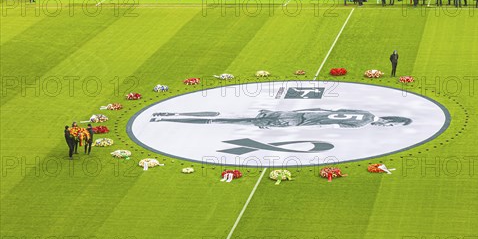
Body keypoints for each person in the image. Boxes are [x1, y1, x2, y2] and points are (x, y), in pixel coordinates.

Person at [150, 109, 412, 128]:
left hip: (295, 116)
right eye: (391, 123)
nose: (387, 126)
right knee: (232, 122)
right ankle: (166, 118)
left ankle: (168, 116)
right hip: (295, 122)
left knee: (236, 119)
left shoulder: (365, 115)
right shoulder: (363, 123)